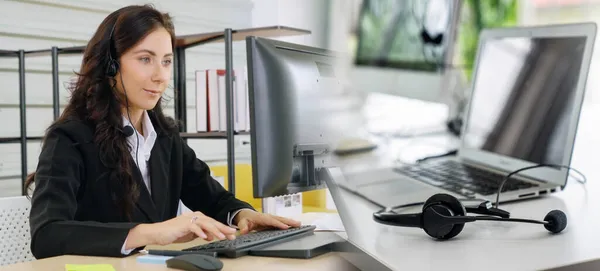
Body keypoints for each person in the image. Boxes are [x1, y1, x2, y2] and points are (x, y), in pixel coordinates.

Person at [26, 4, 300, 259]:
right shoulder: (69, 137)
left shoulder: (164, 135)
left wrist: (242, 215)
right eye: (145, 59)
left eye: (166, 61)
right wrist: (153, 232)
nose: (161, 76)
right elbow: (47, 235)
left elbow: (212, 197)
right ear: (110, 65)